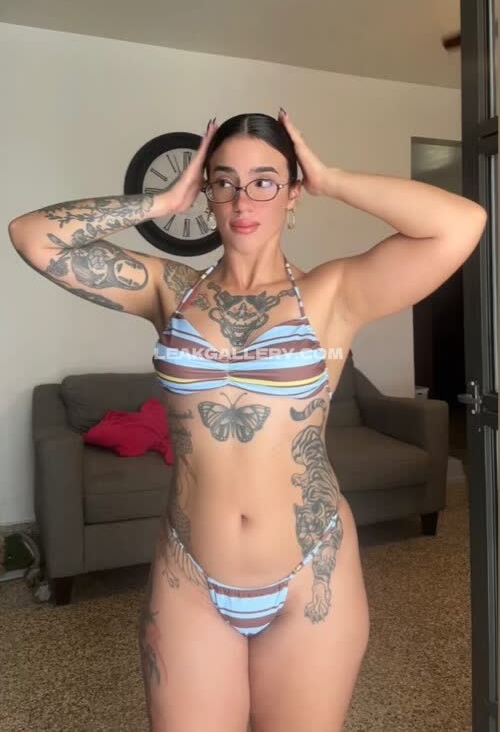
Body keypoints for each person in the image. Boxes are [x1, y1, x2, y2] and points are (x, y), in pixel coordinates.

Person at [8, 110, 487, 732]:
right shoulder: (170, 289)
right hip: (189, 573)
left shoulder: (335, 292)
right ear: (205, 191)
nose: (242, 199)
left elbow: (462, 223)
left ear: (293, 193)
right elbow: (32, 235)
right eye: (224, 181)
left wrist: (332, 178)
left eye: (264, 181)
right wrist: (161, 201)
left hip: (311, 571)